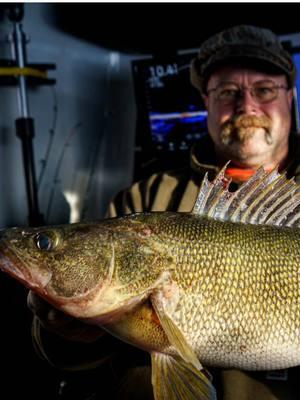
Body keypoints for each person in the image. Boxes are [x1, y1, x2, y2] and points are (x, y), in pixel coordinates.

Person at [28, 24, 300, 400]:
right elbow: (68, 361)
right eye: (227, 92)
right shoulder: (142, 200)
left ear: (291, 97)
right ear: (206, 101)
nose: (247, 106)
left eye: (265, 90)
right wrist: (63, 331)